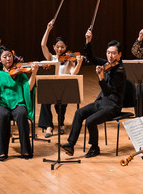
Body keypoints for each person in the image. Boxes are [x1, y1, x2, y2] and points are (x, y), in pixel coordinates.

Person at [59, 30, 126, 158]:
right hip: (101, 103)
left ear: (119, 55)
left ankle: (95, 147)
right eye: (108, 52)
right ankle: (70, 145)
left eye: (113, 53)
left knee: (90, 121)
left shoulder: (120, 71)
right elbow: (91, 58)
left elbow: (107, 92)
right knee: (79, 113)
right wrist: (88, 41)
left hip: (112, 106)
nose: (110, 56)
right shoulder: (107, 64)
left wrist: (101, 78)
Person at [37, 20, 83, 138]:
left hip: (63, 89)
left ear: (66, 47)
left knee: (61, 104)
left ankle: (61, 123)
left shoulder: (69, 61)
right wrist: (48, 29)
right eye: (57, 47)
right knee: (44, 101)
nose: (60, 49)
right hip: (51, 88)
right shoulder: (50, 57)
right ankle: (49, 126)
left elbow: (73, 73)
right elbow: (43, 45)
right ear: (54, 47)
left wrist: (79, 63)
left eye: (62, 47)